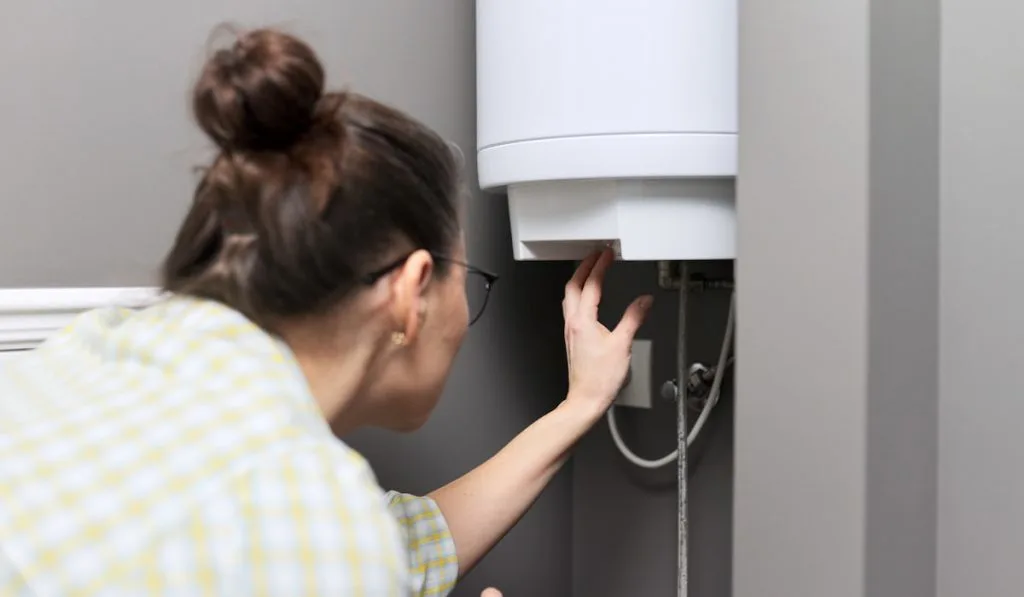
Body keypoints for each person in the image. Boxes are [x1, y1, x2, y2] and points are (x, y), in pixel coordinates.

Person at [0, 28, 652, 596]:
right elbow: (327, 537)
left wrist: (580, 404)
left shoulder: (106, 347)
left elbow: (397, 546)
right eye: (468, 278)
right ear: (411, 290)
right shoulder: (309, 513)